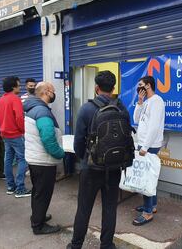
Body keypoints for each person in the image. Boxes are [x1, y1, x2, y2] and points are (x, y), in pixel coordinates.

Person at [67, 71, 131, 249]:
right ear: (113, 88)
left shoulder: (87, 109)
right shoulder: (122, 107)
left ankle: (76, 245)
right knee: (110, 207)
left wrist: (84, 158)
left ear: (96, 88)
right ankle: (107, 245)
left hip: (91, 168)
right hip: (114, 167)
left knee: (84, 208)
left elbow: (78, 141)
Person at [24, 82, 65, 235]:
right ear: (47, 92)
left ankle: (37, 216)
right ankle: (38, 225)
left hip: (35, 158)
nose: (54, 94)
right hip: (43, 161)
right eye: (53, 91)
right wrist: (60, 153)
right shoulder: (42, 111)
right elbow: (48, 138)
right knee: (43, 193)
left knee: (38, 191)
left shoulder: (33, 108)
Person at [132, 76, 165, 226]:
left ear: (149, 86)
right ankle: (151, 205)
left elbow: (154, 127)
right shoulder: (146, 102)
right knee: (149, 177)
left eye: (141, 85)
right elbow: (137, 119)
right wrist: (139, 102)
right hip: (143, 144)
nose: (139, 88)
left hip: (149, 146)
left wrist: (144, 148)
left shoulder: (157, 101)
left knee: (146, 179)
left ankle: (147, 213)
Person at [0, 76, 31, 198]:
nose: (20, 87)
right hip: (15, 134)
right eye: (18, 85)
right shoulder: (15, 99)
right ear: (13, 87)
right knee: (22, 159)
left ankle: (11, 186)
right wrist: (22, 130)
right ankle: (20, 188)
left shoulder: (1, 100)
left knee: (8, 160)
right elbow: (19, 117)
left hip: (4, 134)